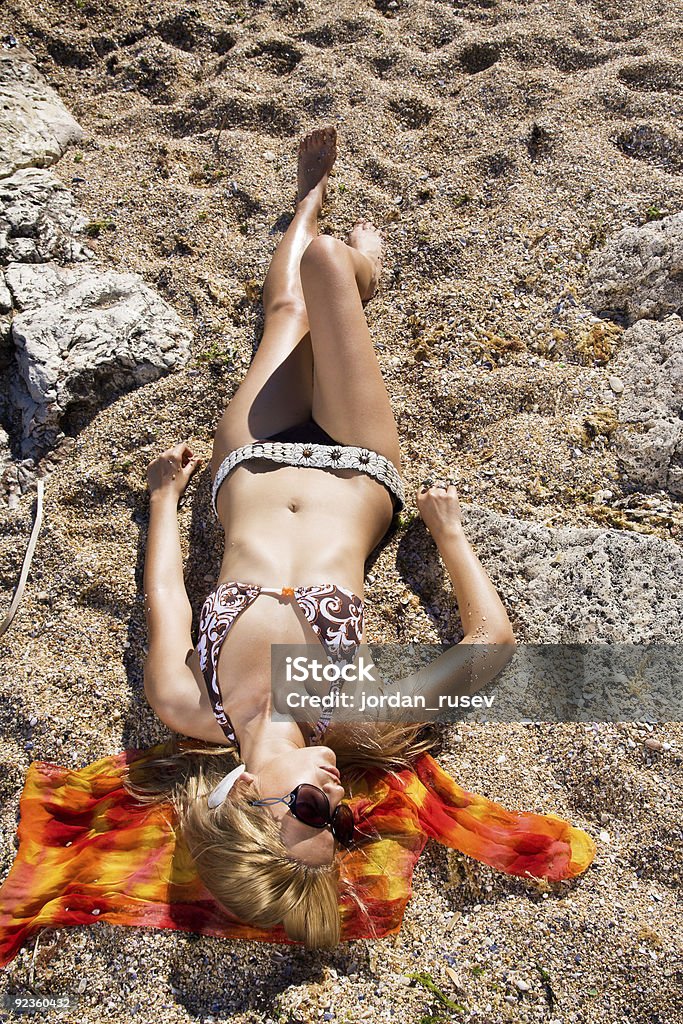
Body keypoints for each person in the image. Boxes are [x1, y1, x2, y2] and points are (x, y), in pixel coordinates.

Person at [127, 125, 516, 948]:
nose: (334, 798)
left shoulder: (190, 703)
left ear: (241, 799)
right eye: (339, 825)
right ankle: (357, 273)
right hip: (356, 464)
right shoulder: (344, 711)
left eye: (308, 811)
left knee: (285, 309)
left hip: (253, 463)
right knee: (331, 267)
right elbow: (489, 645)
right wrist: (449, 538)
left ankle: (309, 197)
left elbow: (166, 593)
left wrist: (164, 501)